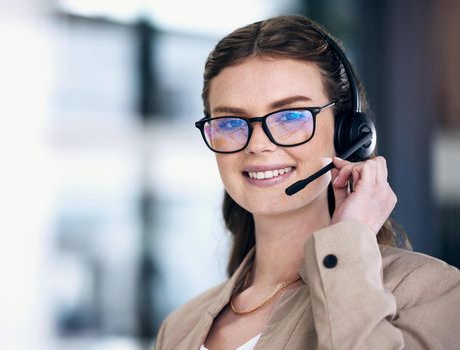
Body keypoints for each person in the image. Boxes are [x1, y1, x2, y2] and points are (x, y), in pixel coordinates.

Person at [155, 15, 460, 350]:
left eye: (290, 116)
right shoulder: (179, 327)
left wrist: (347, 241)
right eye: (230, 122)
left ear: (348, 134)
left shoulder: (429, 290)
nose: (257, 144)